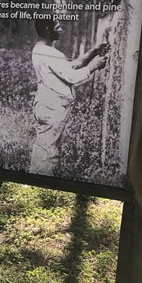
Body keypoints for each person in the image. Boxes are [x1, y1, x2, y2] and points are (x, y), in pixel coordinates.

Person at [28, 18, 109, 176]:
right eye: (57, 27)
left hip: (47, 105)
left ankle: (37, 178)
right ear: (46, 29)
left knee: (45, 146)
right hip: (52, 108)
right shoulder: (48, 52)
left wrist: (94, 51)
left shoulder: (41, 49)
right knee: (48, 151)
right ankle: (41, 181)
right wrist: (94, 66)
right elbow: (72, 77)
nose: (61, 29)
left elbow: (69, 67)